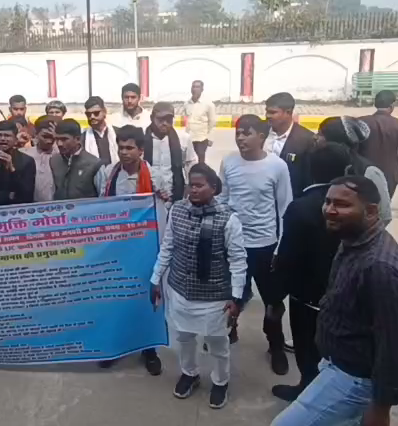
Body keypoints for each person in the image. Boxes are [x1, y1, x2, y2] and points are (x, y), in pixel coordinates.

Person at [271, 175, 398, 426]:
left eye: (342, 204)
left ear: (371, 211)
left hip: (353, 379)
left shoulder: (381, 269)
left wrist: (381, 406)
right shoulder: (352, 240)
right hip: (336, 363)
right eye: (328, 201)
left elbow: (396, 346)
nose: (330, 210)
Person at [150, 163, 247, 410]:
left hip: (215, 297)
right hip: (180, 291)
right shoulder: (178, 211)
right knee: (184, 338)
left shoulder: (229, 218)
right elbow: (168, 247)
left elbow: (238, 260)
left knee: (217, 343)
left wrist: (236, 297)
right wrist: (156, 278)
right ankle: (189, 373)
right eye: (190, 185)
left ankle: (220, 381)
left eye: (199, 185)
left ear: (213, 188)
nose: (193, 190)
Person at [270, 142, 353, 402]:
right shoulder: (355, 205)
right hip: (345, 292)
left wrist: (275, 298)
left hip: (306, 298)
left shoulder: (300, 207)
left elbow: (287, 258)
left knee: (307, 348)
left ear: (309, 170)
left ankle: (308, 392)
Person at [217, 114, 293, 374]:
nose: (240, 138)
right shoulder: (228, 162)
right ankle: (230, 329)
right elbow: (223, 200)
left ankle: (275, 345)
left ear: (262, 136)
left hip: (265, 245)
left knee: (273, 301)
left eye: (246, 133)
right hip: (234, 244)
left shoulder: (277, 166)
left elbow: (284, 208)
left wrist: (281, 247)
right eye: (238, 132)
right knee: (233, 294)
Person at [94, 125, 163, 375]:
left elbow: (163, 211)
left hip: (145, 248)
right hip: (116, 246)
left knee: (146, 299)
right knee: (115, 298)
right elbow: (102, 206)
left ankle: (149, 349)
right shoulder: (108, 173)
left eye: (129, 148)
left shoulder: (155, 176)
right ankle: (116, 347)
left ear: (141, 150)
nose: (124, 152)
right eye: (120, 147)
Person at [318, 116, 392, 225]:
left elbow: (384, 215)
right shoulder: (316, 162)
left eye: (320, 134)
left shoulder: (370, 171)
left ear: (335, 138)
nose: (315, 137)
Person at [145, 102, 196, 207]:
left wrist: (189, 185)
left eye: (168, 120)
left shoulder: (183, 138)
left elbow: (190, 163)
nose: (165, 123)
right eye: (160, 119)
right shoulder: (142, 138)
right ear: (151, 118)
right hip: (148, 196)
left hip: (175, 195)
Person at [264, 92, 316, 197]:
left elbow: (307, 178)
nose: (267, 116)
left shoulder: (306, 139)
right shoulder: (260, 132)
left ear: (288, 112)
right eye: (267, 111)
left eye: (273, 112)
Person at [51, 119, 103, 200]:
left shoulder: (94, 164)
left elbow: (102, 196)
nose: (59, 144)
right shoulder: (54, 161)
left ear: (78, 139)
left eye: (64, 139)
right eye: (57, 139)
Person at [20, 116, 58, 202]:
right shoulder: (25, 154)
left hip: (55, 205)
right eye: (45, 136)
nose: (49, 141)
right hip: (31, 205)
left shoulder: (60, 155)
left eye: (51, 137)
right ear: (36, 135)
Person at [184, 80, 217, 165]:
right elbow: (186, 120)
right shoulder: (187, 104)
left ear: (202, 89)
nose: (195, 89)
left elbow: (212, 122)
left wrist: (210, 138)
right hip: (189, 138)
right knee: (188, 161)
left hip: (201, 138)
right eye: (193, 87)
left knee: (200, 162)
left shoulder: (208, 104)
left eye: (197, 87)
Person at [82, 95, 118, 165]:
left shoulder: (117, 133)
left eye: (96, 113)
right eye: (88, 114)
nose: (92, 117)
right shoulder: (83, 138)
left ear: (104, 112)